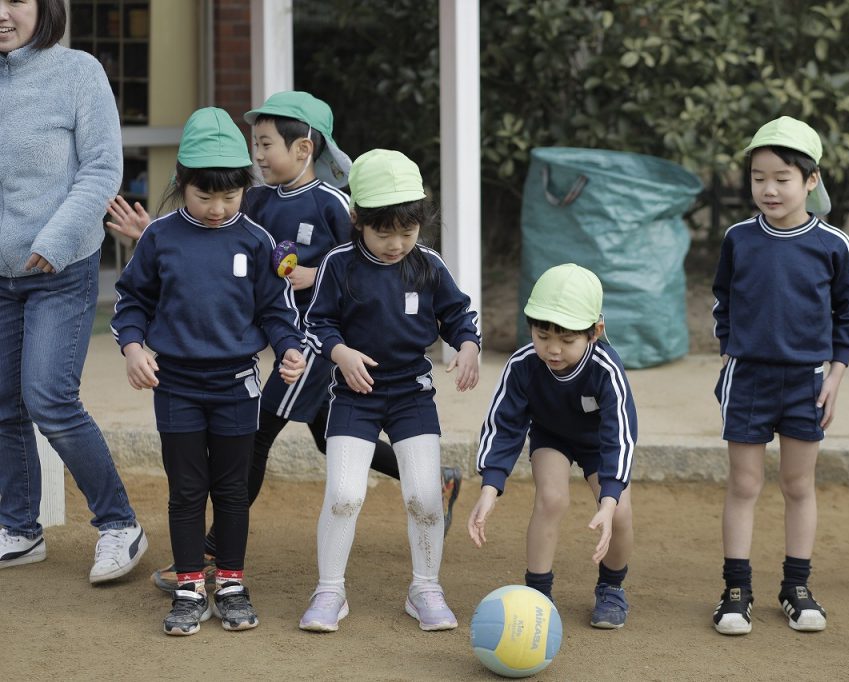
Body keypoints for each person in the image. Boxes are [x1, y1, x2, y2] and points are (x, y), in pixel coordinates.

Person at [105, 92, 463, 594]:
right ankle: (438, 478)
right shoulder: (255, 200)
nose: (258, 154)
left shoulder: (333, 202)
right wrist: (154, 235)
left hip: (314, 343)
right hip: (285, 338)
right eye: (255, 143)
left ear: (303, 148)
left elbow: (370, 259)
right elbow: (213, 241)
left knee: (256, 435)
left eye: (266, 143)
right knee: (325, 434)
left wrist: (315, 275)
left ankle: (212, 551)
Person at [111, 107, 308, 635]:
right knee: (186, 489)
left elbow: (276, 309)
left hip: (237, 385)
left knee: (232, 489)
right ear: (182, 184)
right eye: (205, 196)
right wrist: (133, 347)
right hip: (174, 384)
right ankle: (189, 586)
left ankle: (232, 583)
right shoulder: (159, 238)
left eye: (230, 196)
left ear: (245, 187)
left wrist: (289, 347)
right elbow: (131, 301)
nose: (218, 209)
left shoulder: (258, 241)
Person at [298, 148, 480, 633]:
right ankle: (329, 590)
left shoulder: (428, 265)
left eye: (408, 231)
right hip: (353, 394)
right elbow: (316, 323)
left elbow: (459, 315)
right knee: (343, 494)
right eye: (383, 233)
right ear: (357, 220)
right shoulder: (338, 264)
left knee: (425, 496)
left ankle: (425, 588)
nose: (397, 244)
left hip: (411, 395)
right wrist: (340, 353)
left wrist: (467, 346)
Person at [0, 0, 148, 582]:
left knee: (48, 398)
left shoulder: (78, 72)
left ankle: (119, 525)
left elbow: (102, 168)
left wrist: (56, 239)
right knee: (3, 404)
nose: (2, 14)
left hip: (60, 268)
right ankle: (19, 528)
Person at [711, 116, 849, 635]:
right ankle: (736, 591)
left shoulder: (834, 244)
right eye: (758, 178)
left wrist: (835, 376)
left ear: (811, 180)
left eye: (782, 178)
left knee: (798, 484)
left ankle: (796, 587)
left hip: (807, 383)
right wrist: (730, 351)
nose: (769, 189)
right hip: (748, 379)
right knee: (744, 484)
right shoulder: (738, 238)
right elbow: (722, 300)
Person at [468, 264, 637, 629]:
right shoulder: (523, 365)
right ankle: (538, 594)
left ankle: (611, 587)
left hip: (599, 445)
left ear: (595, 332)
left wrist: (609, 501)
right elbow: (503, 426)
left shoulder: (606, 369)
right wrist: (490, 488)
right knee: (551, 499)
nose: (553, 349)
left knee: (621, 512)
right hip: (552, 436)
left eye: (567, 340)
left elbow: (620, 435)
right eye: (542, 336)